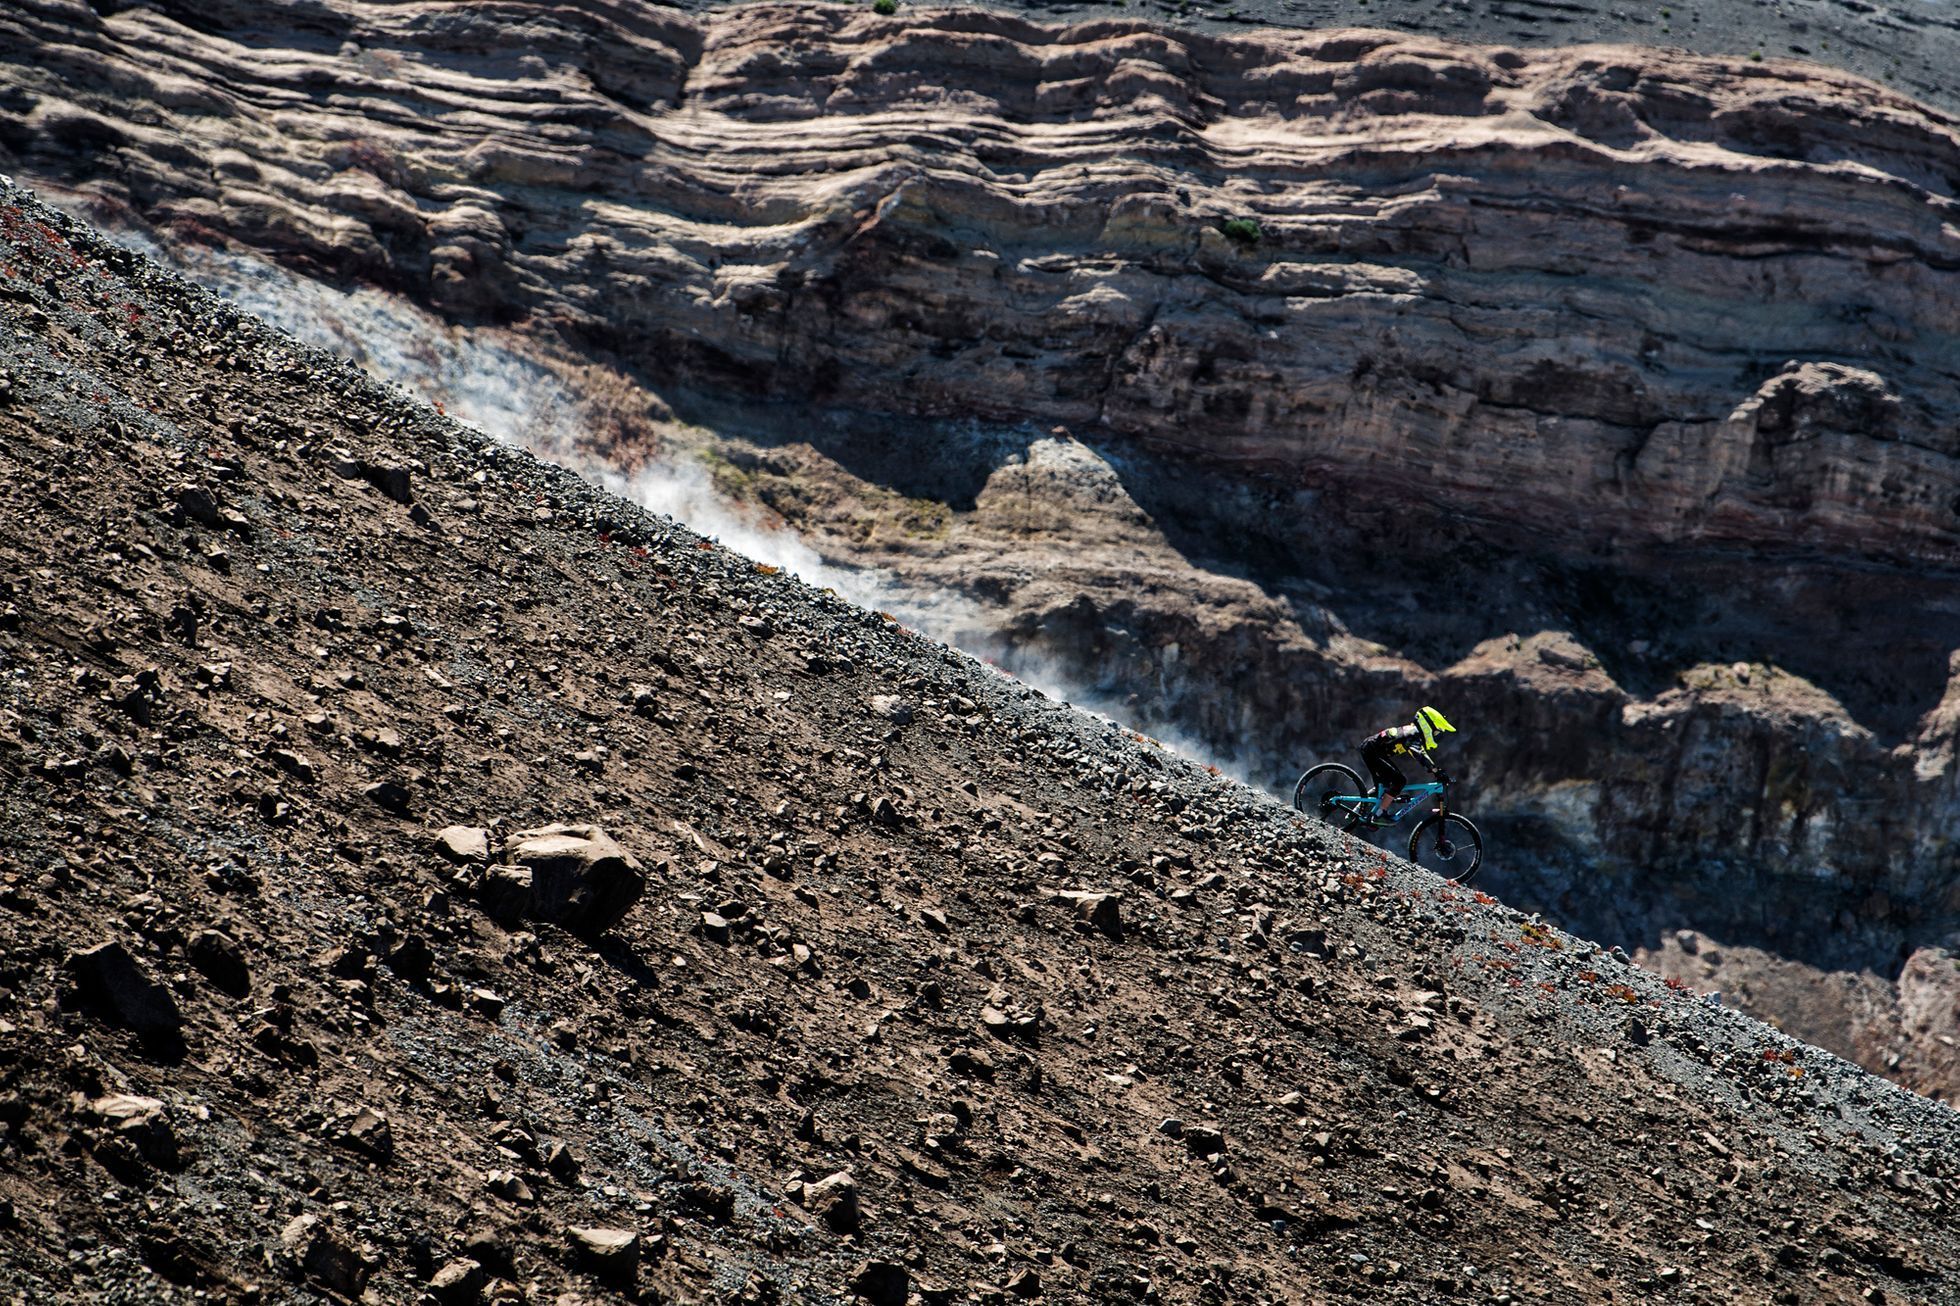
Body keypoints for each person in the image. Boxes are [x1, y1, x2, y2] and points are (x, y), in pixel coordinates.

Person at [1360, 706, 1455, 823]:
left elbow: (1421, 753)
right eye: (1435, 732)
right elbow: (1419, 754)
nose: (1435, 735)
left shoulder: (1412, 732)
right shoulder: (1413, 733)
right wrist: (1436, 771)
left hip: (1372, 749)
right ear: (1428, 725)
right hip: (1372, 750)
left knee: (1384, 786)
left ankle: (1358, 811)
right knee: (1399, 781)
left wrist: (1435, 769)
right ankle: (1379, 814)